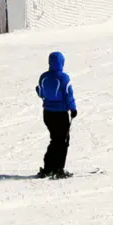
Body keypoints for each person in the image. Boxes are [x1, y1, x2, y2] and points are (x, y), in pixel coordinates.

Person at [35, 51, 77, 179]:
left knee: (55, 140)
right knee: (62, 141)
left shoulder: (44, 77)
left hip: (47, 114)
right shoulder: (64, 77)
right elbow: (68, 94)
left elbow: (42, 93)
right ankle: (58, 168)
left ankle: (48, 167)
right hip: (60, 114)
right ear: (62, 62)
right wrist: (73, 109)